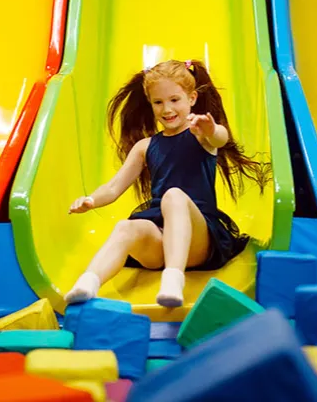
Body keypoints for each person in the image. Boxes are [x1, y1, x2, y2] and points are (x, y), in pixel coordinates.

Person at [65, 59, 271, 307]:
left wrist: (210, 128)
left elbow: (220, 138)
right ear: (150, 104)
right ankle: (88, 283)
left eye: (175, 100)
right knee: (124, 227)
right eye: (158, 102)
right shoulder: (146, 146)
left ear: (192, 98)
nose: (167, 109)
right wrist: (90, 200)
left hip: (198, 239)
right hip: (159, 241)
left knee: (173, 196)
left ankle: (173, 279)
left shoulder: (201, 135)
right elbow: (113, 187)